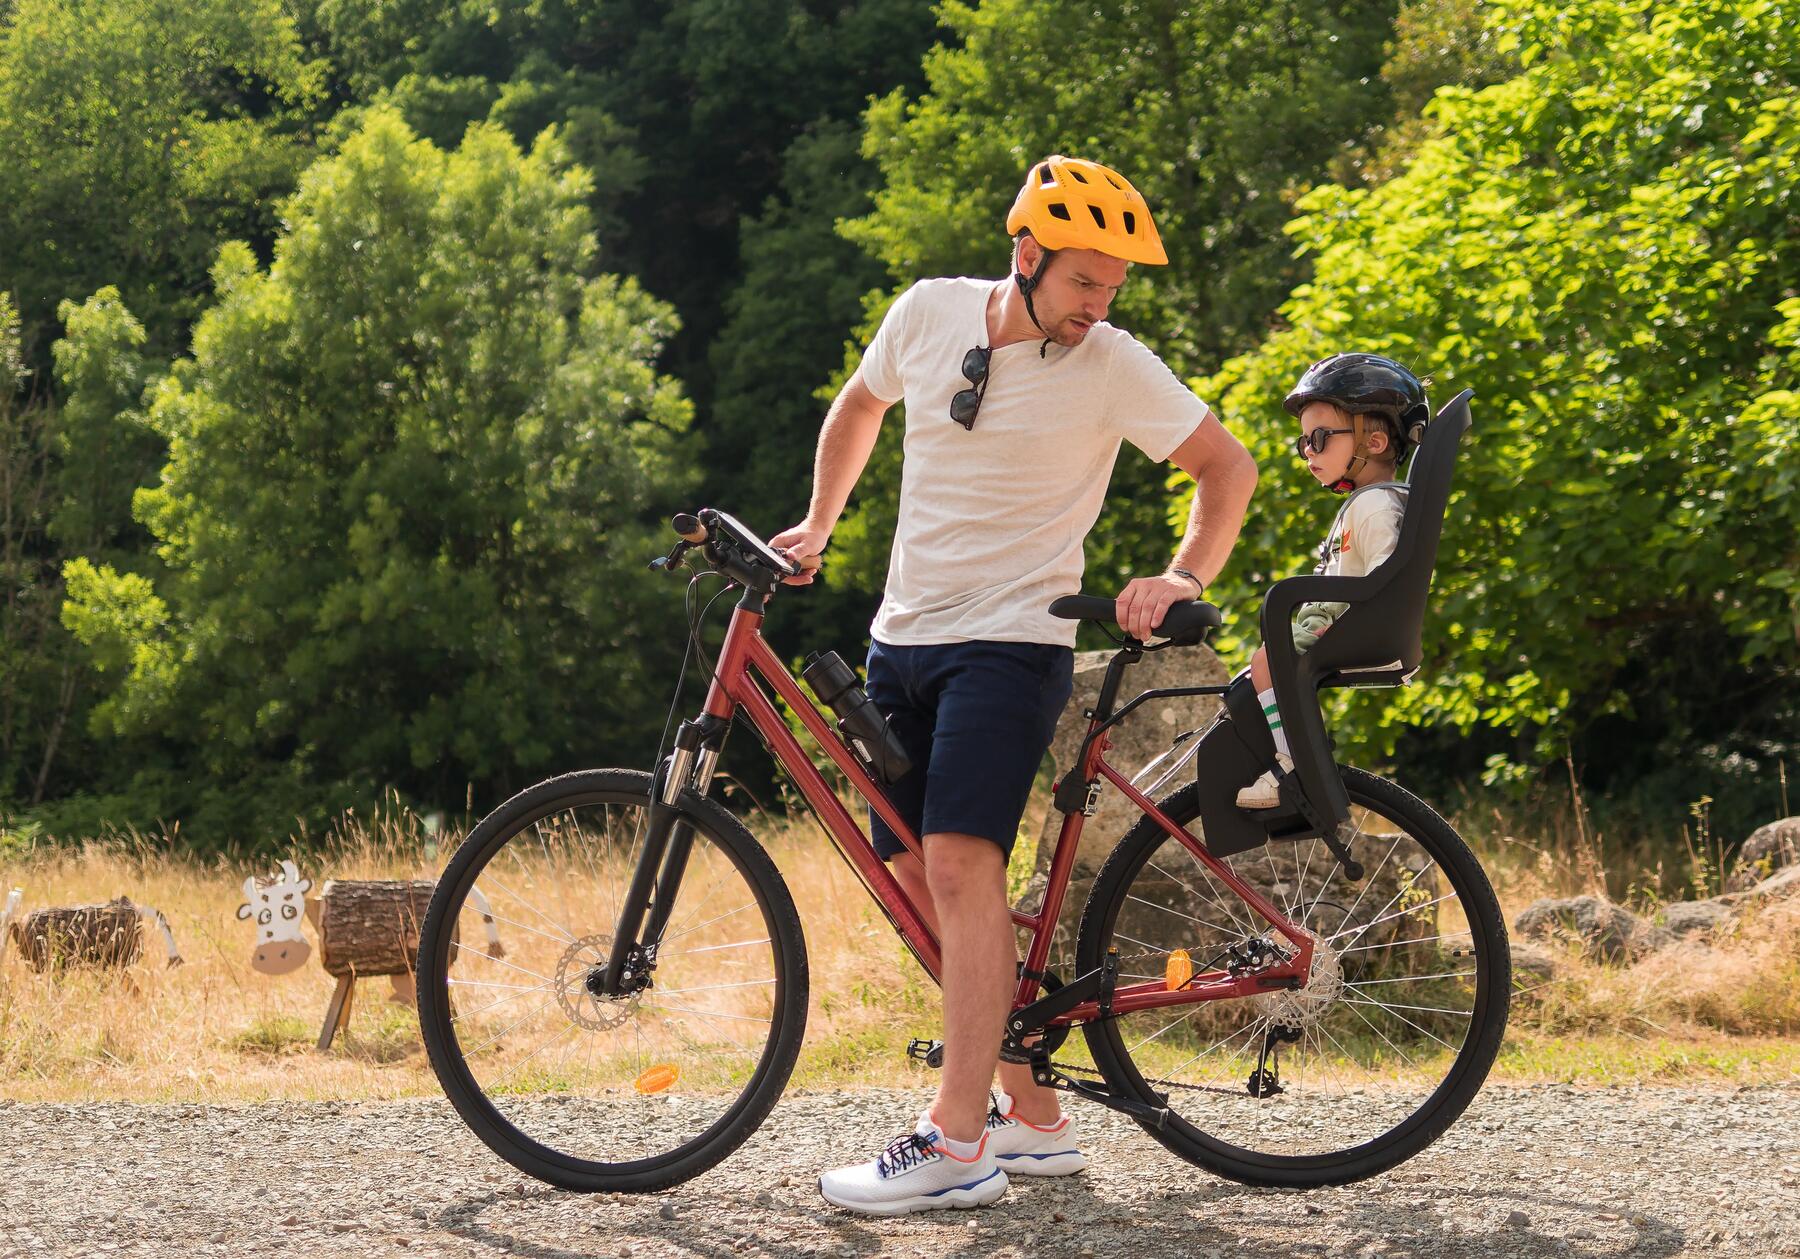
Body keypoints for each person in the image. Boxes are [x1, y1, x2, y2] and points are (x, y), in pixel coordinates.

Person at [769, 155, 1258, 1216]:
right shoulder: (928, 313)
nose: (1100, 306)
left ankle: (953, 1141)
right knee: (907, 875)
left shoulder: (1113, 363)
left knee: (957, 863)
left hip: (1013, 645)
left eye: (1114, 288)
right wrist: (819, 521)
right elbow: (859, 406)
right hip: (901, 640)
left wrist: (1182, 574)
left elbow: (1231, 468)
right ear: (1025, 255)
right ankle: (1031, 1115)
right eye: (1086, 281)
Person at [1236, 352, 1430, 808]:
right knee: (1251, 679)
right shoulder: (1368, 502)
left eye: (1320, 438)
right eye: (1303, 442)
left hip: (1347, 622)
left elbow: (1390, 572)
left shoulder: (1377, 506)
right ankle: (1288, 755)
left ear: (1376, 441)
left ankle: (1291, 763)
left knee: (1266, 662)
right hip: (1342, 618)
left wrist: (1347, 616)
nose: (1309, 453)